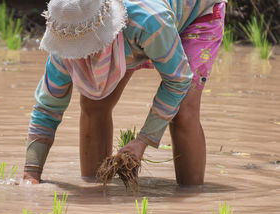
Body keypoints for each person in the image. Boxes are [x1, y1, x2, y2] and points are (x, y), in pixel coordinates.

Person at [23, 0, 226, 186]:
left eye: (84, 49)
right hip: (138, 37)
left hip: (195, 14)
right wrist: (31, 174)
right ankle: (96, 188)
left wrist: (143, 141)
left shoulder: (149, 20)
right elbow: (47, 107)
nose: (80, 56)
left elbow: (178, 80)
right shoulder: (68, 31)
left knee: (183, 111)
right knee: (94, 103)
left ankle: (191, 201)